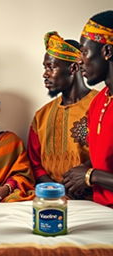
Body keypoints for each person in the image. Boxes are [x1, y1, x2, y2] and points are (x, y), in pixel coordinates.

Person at [27, 32, 98, 198]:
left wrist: (84, 179)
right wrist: (56, 191)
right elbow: (35, 164)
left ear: (73, 68)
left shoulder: (101, 104)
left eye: (51, 67)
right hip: (51, 197)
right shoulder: (41, 116)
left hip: (94, 198)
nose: (45, 74)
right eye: (45, 68)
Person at [63, 11, 113, 206]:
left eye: (84, 52)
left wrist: (91, 176)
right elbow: (103, 159)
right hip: (100, 210)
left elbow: (95, 173)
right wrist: (75, 177)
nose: (79, 60)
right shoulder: (99, 101)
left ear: (107, 52)